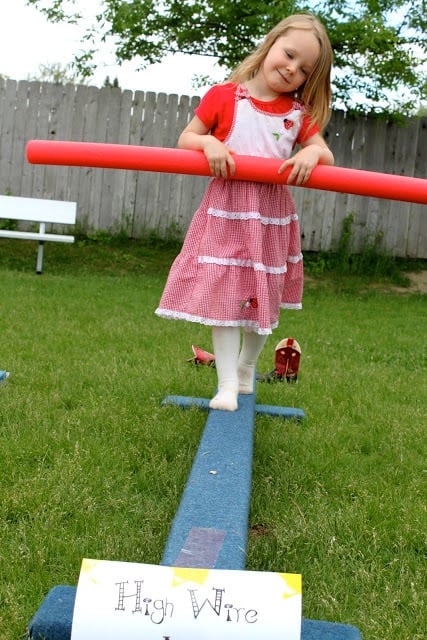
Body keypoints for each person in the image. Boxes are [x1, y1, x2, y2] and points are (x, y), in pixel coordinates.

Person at [155, 13, 334, 411]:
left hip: (270, 219)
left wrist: (309, 151)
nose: (291, 69)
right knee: (225, 295)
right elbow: (187, 137)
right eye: (288, 55)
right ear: (270, 44)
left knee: (262, 296)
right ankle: (225, 386)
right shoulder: (224, 96)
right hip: (227, 211)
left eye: (304, 69)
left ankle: (246, 368)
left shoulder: (297, 114)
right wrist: (209, 146)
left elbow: (324, 151)